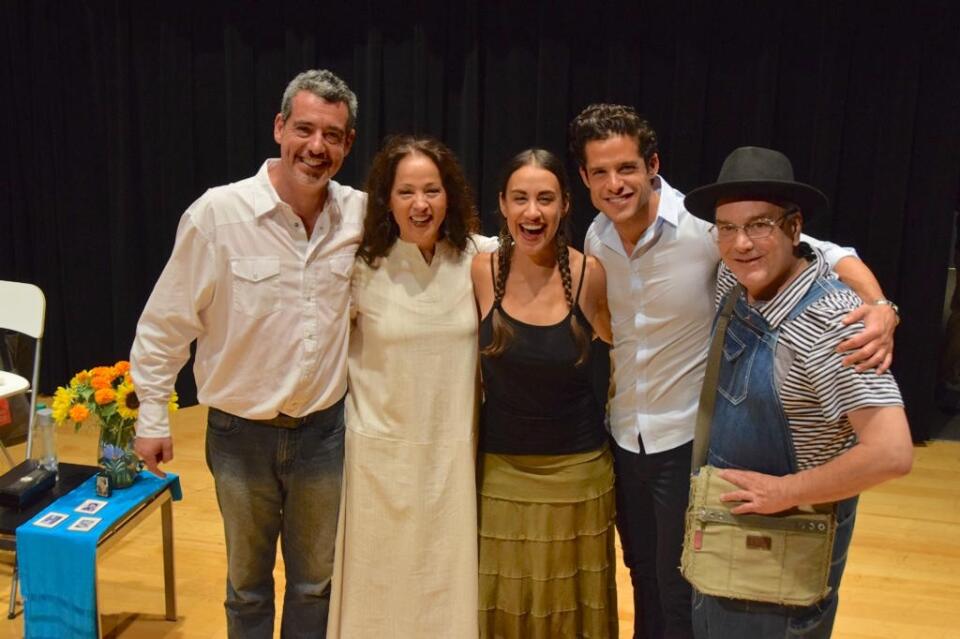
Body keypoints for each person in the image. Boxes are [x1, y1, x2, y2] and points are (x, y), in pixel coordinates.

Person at [568, 104, 900, 639]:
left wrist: (881, 305)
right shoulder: (597, 235)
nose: (615, 183)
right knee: (643, 573)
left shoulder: (708, 226)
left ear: (652, 164)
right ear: (584, 177)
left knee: (688, 584)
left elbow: (828, 253)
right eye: (600, 172)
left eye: (626, 167)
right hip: (627, 434)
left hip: (688, 438)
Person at [130, 69, 363, 638]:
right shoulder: (217, 215)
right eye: (304, 129)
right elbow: (165, 325)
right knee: (247, 584)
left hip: (325, 435)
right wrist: (153, 414)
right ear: (279, 127)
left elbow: (443, 240)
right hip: (240, 436)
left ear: (348, 143)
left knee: (316, 584)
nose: (317, 147)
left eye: (332, 135)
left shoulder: (360, 215)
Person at [682, 145, 913, 637]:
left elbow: (892, 453)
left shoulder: (833, 322)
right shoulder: (735, 281)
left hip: (785, 553)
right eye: (727, 228)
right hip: (730, 540)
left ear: (793, 227)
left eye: (760, 224)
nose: (741, 243)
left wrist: (785, 491)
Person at [327, 135, 494, 637]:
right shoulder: (360, 266)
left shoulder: (479, 259)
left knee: (445, 581)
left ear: (451, 195)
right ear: (386, 199)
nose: (421, 205)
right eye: (406, 192)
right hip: (378, 457)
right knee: (379, 587)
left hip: (452, 455)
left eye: (432, 190)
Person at [472, 148, 617, 638]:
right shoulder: (480, 270)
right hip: (501, 476)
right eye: (520, 198)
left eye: (545, 199)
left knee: (571, 611)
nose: (532, 212)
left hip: (579, 477)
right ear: (503, 205)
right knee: (504, 606)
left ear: (565, 206)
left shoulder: (591, 274)